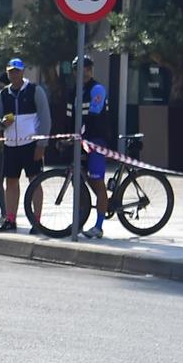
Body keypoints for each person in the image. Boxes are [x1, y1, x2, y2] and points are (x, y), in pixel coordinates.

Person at [0, 57, 50, 233]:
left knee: (35, 181)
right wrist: (2, 123)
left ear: (23, 71)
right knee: (11, 182)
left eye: (17, 71)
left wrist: (42, 143)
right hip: (11, 144)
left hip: (31, 144)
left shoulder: (34, 90)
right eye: (11, 71)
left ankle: (37, 221)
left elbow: (45, 118)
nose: (14, 74)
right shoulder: (3, 94)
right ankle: (10, 219)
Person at [77, 56, 112, 239]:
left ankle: (99, 226)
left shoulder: (97, 88)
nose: (84, 72)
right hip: (85, 140)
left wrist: (80, 135)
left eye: (87, 68)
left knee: (98, 183)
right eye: (80, 69)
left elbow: (93, 116)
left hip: (97, 140)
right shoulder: (77, 91)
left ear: (91, 70)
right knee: (86, 179)